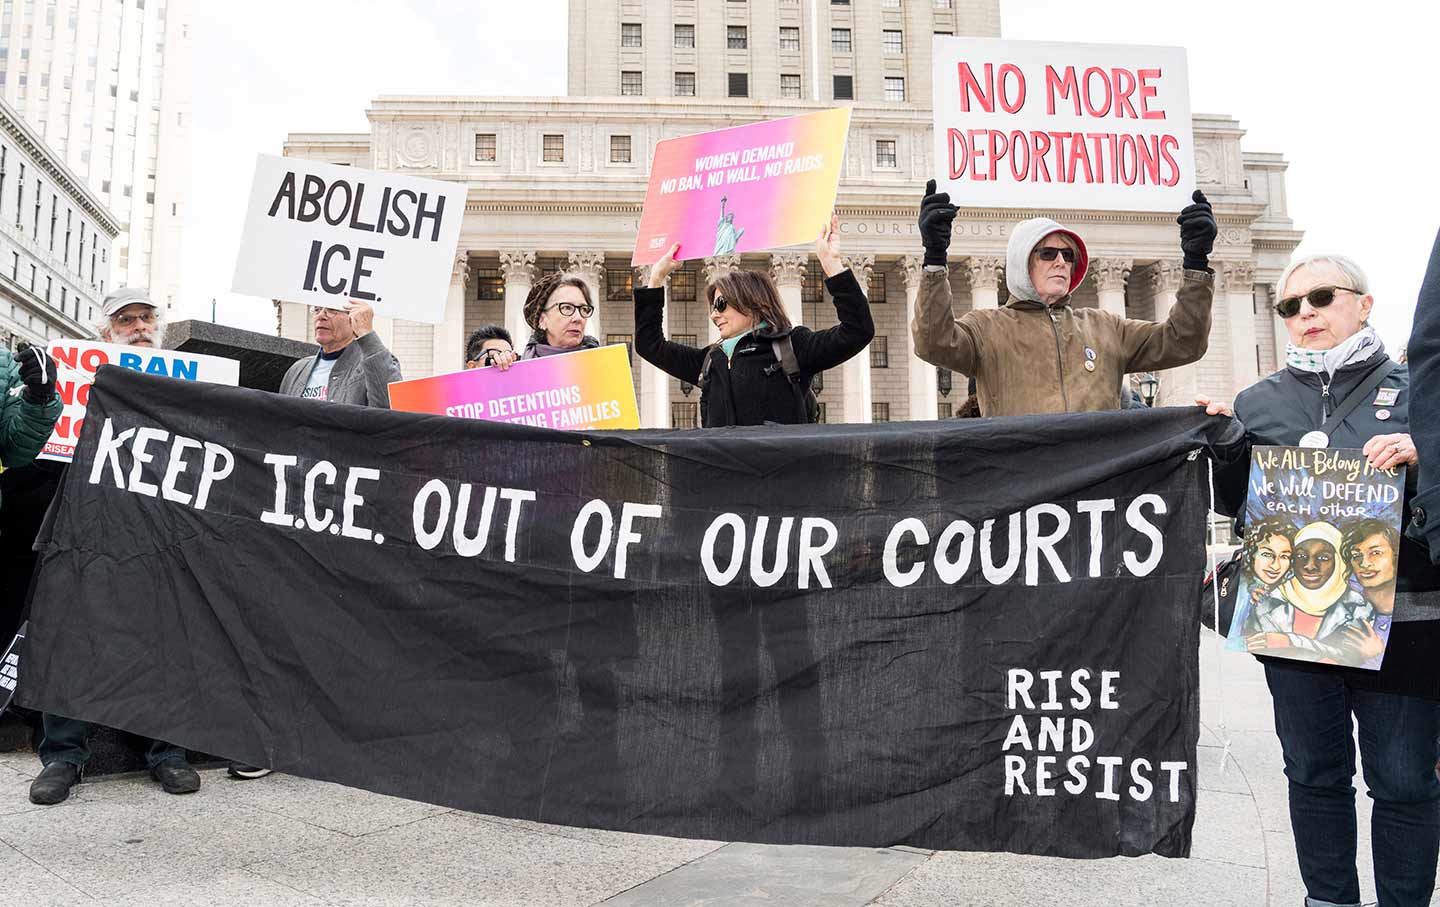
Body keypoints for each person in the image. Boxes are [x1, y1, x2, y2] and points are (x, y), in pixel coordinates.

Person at [1204, 252, 1440, 907]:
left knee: (1403, 779)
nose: (1305, 313)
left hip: (1409, 615)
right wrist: (1225, 447)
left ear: (1364, 304)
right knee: (1313, 773)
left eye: (1322, 298)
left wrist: (1427, 454)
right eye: (1291, 305)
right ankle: (1328, 899)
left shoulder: (1422, 389)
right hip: (1298, 622)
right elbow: (1234, 506)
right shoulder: (1259, 400)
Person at [27, 288, 204, 805]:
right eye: (126, 320)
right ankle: (62, 755)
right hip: (88, 519)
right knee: (70, 632)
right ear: (107, 332)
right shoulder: (84, 377)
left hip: (162, 525)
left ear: (160, 325)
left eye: (146, 317)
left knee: (166, 635)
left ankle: (167, 752)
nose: (138, 326)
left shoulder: (189, 381)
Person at [911, 180, 1217, 417]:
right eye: (1048, 253)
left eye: (1068, 255)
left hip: (1099, 484)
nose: (1061, 262)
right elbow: (933, 342)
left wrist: (1196, 261)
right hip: (1025, 485)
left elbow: (1182, 341)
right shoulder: (985, 328)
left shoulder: (1106, 326)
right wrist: (935, 259)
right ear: (1022, 263)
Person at [635, 215, 874, 427]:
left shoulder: (793, 347)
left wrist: (833, 266)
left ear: (752, 303)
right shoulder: (709, 361)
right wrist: (656, 278)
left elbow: (857, 331)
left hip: (782, 475)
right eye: (712, 307)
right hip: (721, 476)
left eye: (720, 304)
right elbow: (649, 345)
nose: (713, 315)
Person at [1244, 521, 1371, 661]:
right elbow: (1255, 646)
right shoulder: (1266, 601)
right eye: (1301, 556)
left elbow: (1353, 656)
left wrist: (1291, 641)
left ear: (1339, 561)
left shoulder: (1357, 607)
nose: (1310, 566)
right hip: (1284, 676)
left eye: (1323, 558)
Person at [278, 300, 402, 407]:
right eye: (317, 309)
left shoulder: (376, 363)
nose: (321, 316)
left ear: (354, 318)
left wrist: (366, 333)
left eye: (332, 309)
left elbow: (389, 408)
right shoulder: (297, 370)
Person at [1340, 518, 1400, 668]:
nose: (1364, 564)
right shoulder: (1341, 597)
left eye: (1375, 553)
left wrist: (1375, 656)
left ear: (1396, 555)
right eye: (1356, 556)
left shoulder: (1417, 605)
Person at [517, 273, 601, 361]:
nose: (578, 318)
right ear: (542, 320)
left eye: (584, 309)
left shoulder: (603, 362)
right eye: (567, 308)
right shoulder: (517, 367)